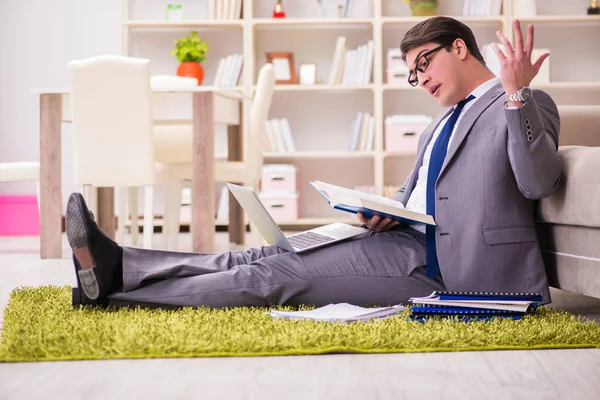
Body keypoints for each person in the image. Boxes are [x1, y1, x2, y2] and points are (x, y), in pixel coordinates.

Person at [66, 16, 562, 309]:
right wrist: (385, 210)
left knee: (274, 277)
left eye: (424, 63)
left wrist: (516, 92)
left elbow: (537, 180)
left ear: (459, 46)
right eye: (412, 73)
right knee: (254, 256)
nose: (420, 78)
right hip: (397, 237)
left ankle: (113, 293)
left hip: (447, 271)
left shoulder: (523, 104)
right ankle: (121, 265)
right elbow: (421, 196)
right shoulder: (438, 124)